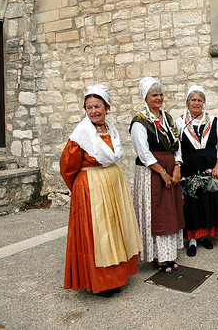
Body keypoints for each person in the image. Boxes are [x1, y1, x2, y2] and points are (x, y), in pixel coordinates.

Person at [60, 84, 143, 298]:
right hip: (91, 186)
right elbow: (67, 166)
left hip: (112, 182)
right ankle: (101, 281)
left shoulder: (109, 128)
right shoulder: (81, 134)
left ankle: (118, 276)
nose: (93, 111)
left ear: (107, 107)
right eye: (89, 107)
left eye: (97, 106)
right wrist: (80, 191)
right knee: (100, 234)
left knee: (115, 229)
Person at [129, 77, 185, 272]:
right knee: (155, 213)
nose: (159, 98)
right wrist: (163, 173)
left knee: (169, 213)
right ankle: (156, 256)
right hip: (150, 174)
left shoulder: (167, 118)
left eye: (160, 94)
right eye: (154, 95)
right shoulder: (140, 122)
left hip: (170, 170)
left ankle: (168, 255)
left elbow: (176, 144)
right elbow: (143, 153)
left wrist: (177, 166)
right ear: (146, 97)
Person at [175, 85, 218, 257]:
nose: (196, 103)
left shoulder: (213, 121)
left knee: (208, 200)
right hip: (189, 168)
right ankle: (192, 239)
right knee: (192, 203)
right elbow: (176, 149)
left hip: (210, 169)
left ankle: (205, 235)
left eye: (199, 100)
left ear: (204, 102)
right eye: (193, 100)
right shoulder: (179, 123)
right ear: (188, 102)